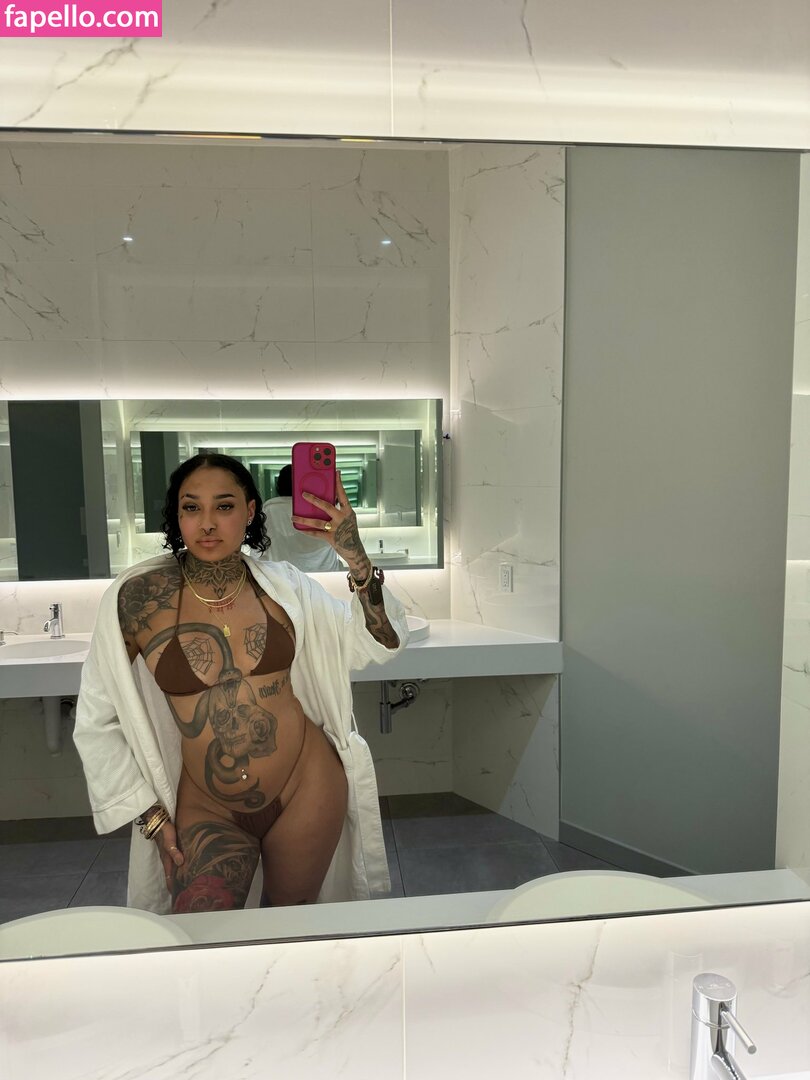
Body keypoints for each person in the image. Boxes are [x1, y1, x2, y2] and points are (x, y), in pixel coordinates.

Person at [74, 452, 408, 915]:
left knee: (292, 922)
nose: (208, 523)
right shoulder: (140, 600)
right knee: (203, 932)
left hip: (307, 783)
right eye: (192, 507)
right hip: (208, 804)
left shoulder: (285, 588)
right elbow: (95, 718)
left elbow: (376, 644)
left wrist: (356, 558)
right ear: (176, 515)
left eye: (225, 506)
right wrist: (150, 816)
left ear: (251, 511)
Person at [261, 464, 342, 573]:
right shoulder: (328, 510)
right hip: (327, 575)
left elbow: (260, 551)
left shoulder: (270, 510)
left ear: (279, 485)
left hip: (283, 577)